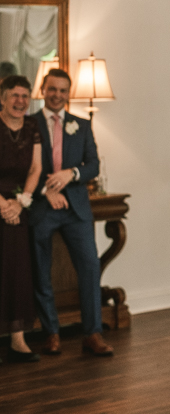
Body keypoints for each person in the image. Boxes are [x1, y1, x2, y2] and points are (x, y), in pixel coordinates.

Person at [30, 69, 113, 356]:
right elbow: (19, 167)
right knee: (41, 269)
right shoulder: (29, 125)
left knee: (90, 267)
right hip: (42, 208)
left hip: (77, 208)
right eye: (52, 89)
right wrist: (45, 190)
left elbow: (93, 165)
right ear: (43, 89)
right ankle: (51, 333)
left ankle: (92, 334)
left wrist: (71, 173)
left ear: (68, 93)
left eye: (63, 90)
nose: (57, 95)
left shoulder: (82, 124)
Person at [0, 76, 42, 363]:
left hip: (18, 204)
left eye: (25, 96)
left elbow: (36, 168)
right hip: (1, 204)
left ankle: (18, 339)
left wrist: (20, 202)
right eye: (14, 95)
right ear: (2, 98)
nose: (20, 101)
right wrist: (3, 205)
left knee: (18, 271)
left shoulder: (32, 126)